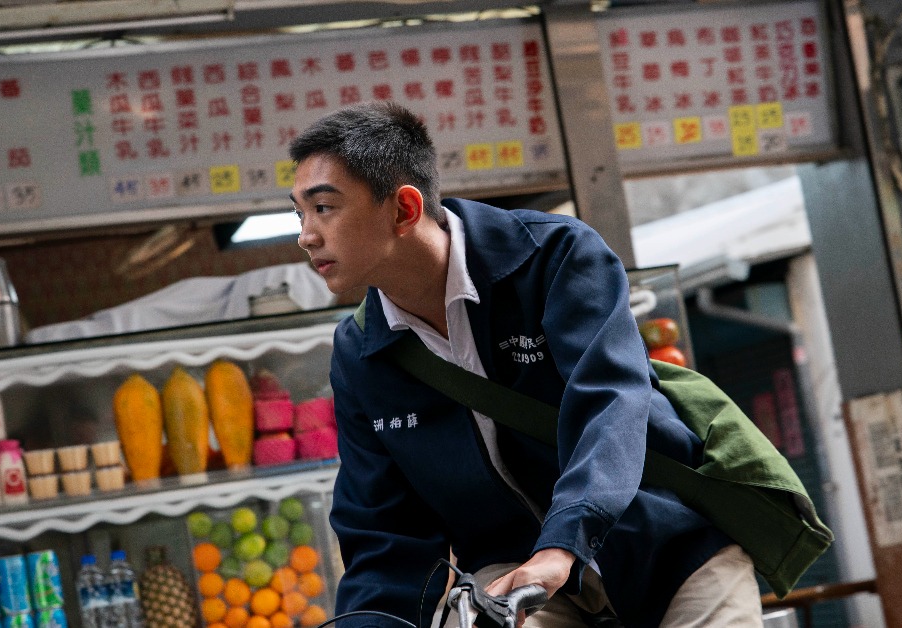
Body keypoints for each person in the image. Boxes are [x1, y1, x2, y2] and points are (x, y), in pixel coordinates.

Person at [289, 102, 763, 628]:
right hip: (514, 582)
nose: (307, 234)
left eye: (324, 208)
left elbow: (611, 404)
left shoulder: (554, 256)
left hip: (668, 548)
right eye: (299, 213)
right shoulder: (360, 354)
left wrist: (566, 542)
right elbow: (381, 534)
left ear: (403, 208)